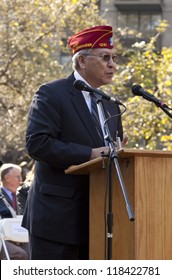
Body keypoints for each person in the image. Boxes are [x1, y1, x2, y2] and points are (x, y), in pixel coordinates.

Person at [22, 25, 127, 260]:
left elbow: (110, 151)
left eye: (114, 58)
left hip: (99, 217)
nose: (113, 65)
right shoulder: (51, 93)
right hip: (57, 219)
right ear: (81, 61)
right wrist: (89, 154)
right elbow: (37, 144)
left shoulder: (111, 104)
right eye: (105, 57)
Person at [0, 163, 29, 260]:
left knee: (34, 250)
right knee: (20, 254)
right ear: (7, 178)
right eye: (17, 177)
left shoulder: (22, 194)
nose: (21, 181)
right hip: (4, 236)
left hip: (21, 235)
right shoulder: (1, 196)